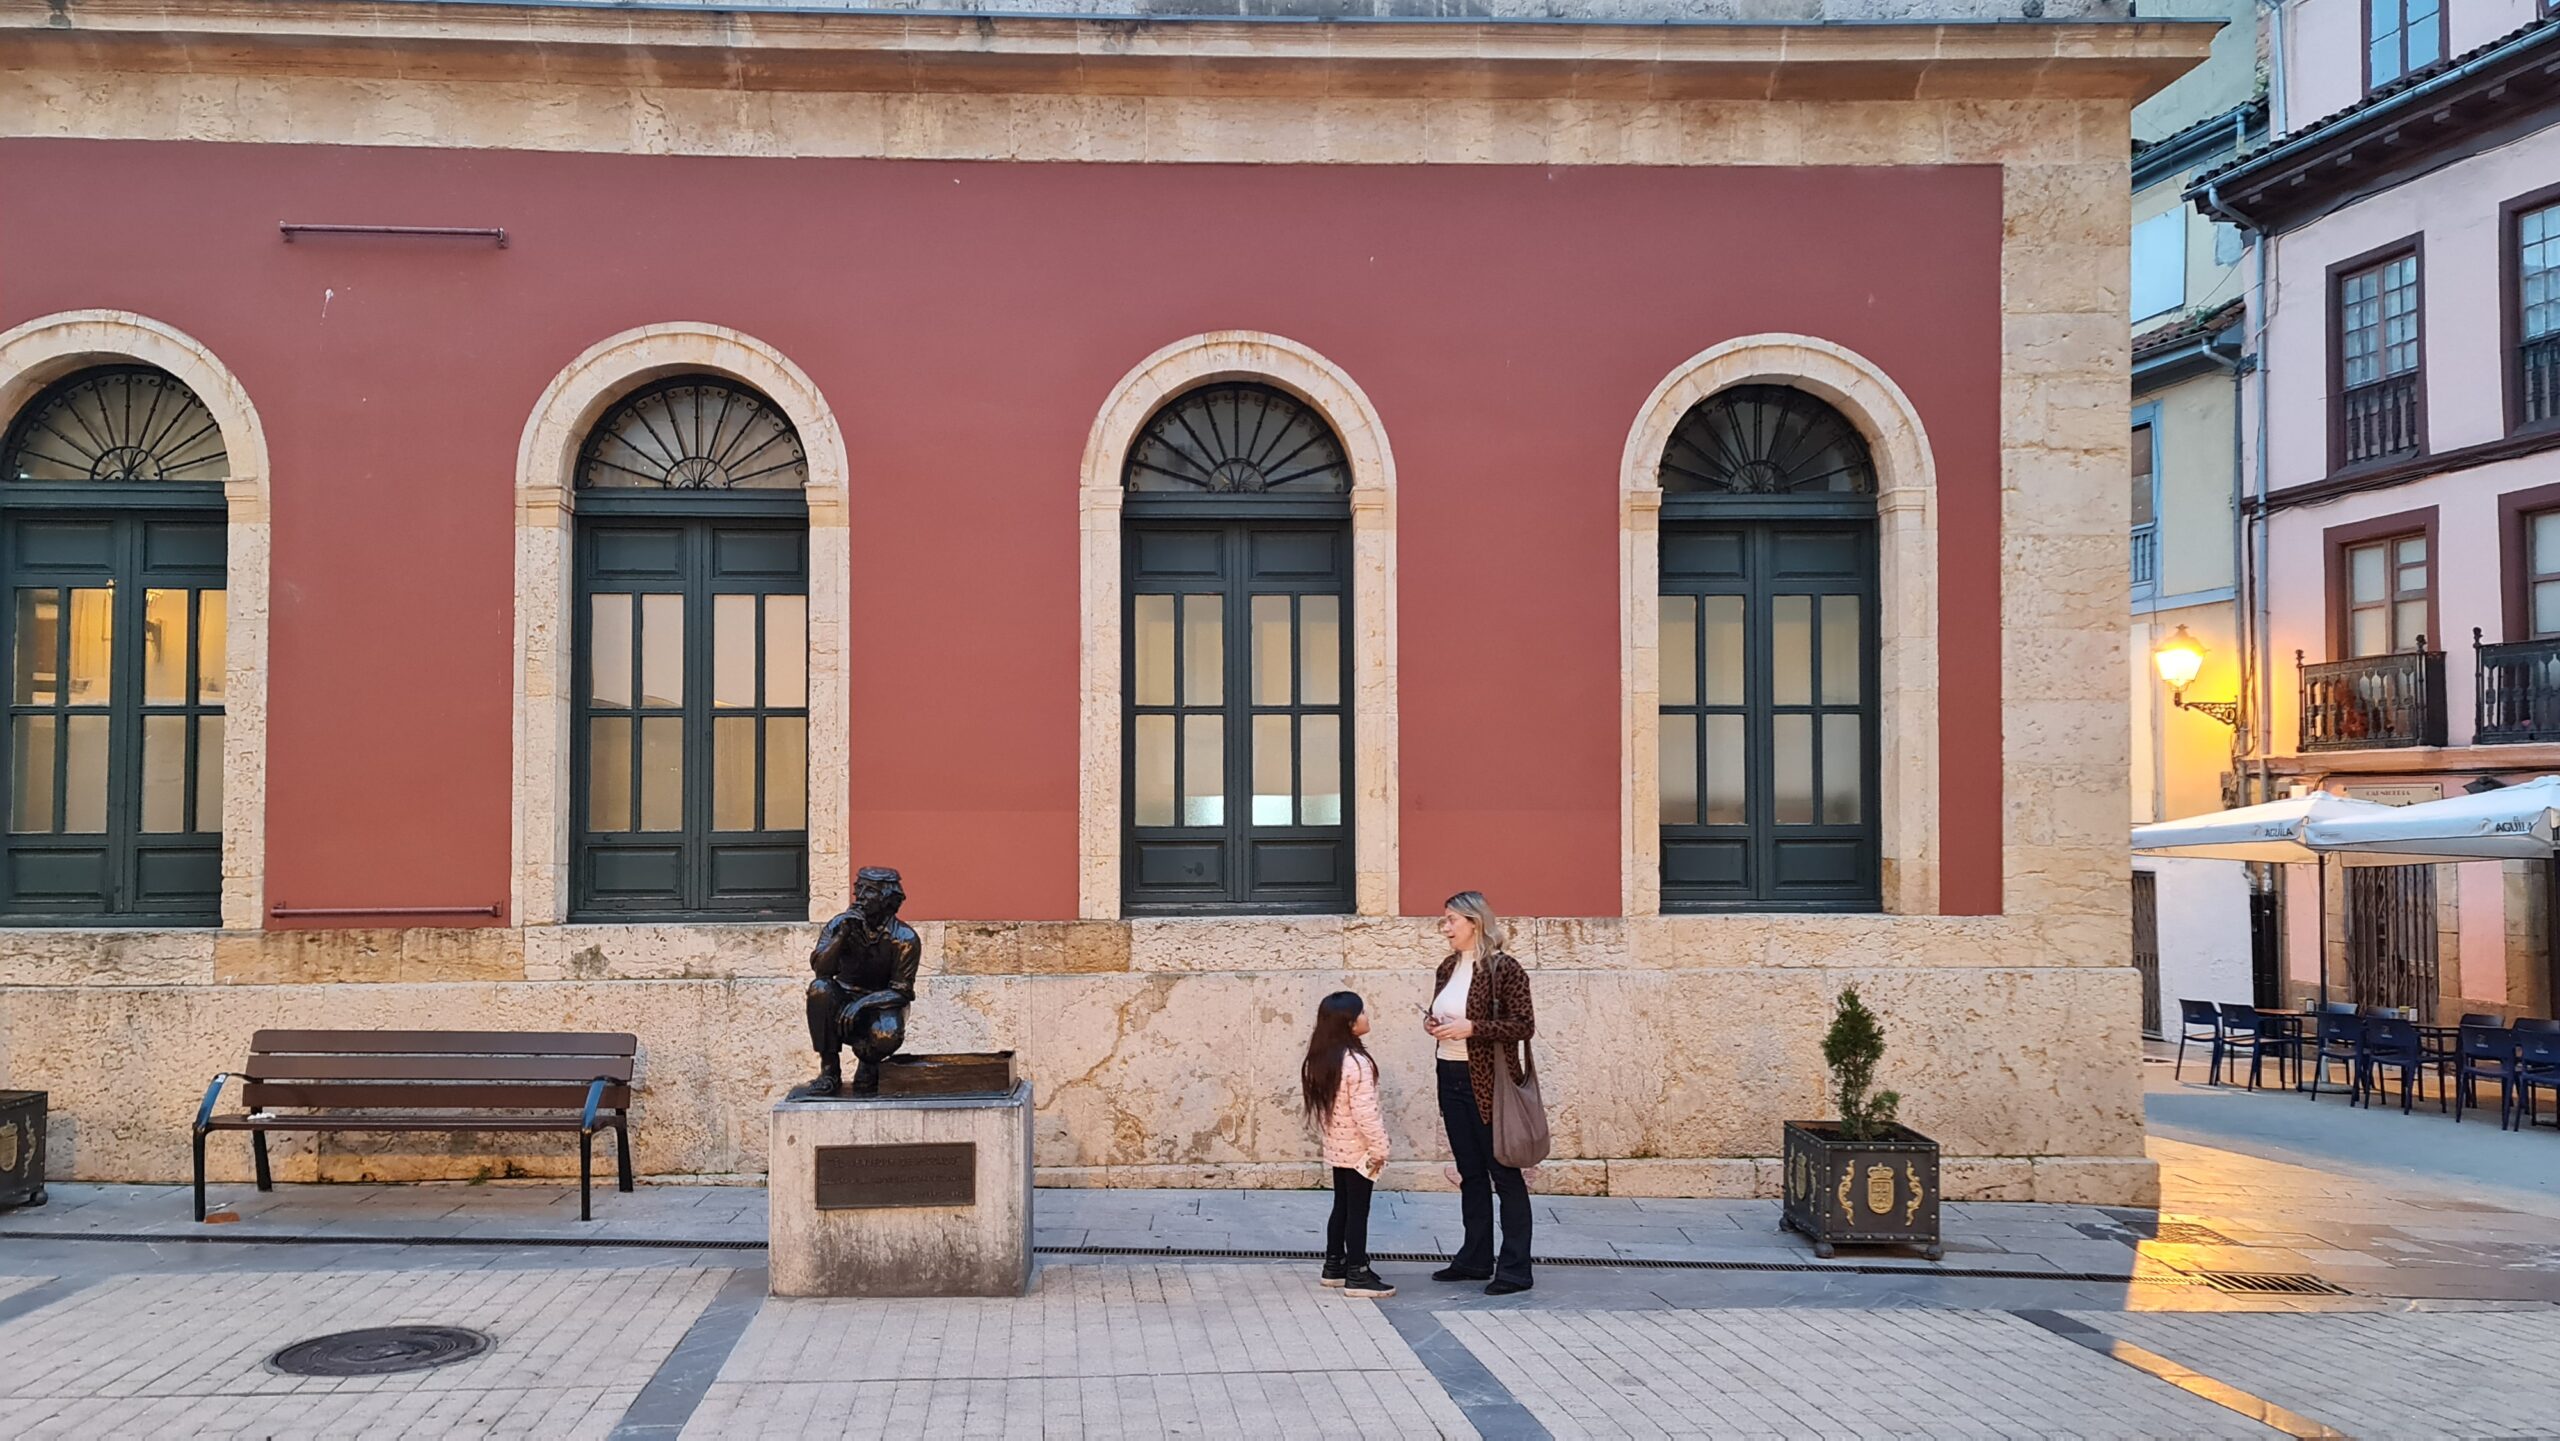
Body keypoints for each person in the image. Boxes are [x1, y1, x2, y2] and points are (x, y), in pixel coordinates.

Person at [1423, 889, 1534, 1294]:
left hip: (1489, 1082)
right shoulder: (1447, 967)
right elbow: (1445, 1013)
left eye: (1451, 920)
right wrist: (1433, 1024)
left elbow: (1523, 1025)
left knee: (1503, 1173)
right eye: (1445, 920)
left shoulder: (1505, 968)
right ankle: (1474, 1258)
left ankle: (1516, 1268)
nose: (1445, 928)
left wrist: (1473, 1028)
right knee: (1470, 1173)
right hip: (1450, 1074)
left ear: (1475, 922)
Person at [1302, 990, 1394, 1299]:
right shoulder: (1357, 1063)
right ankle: (1357, 1273)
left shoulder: (1325, 1059)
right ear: (1349, 1023)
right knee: (1358, 1211)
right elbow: (1365, 1112)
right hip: (1358, 1150)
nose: (1366, 1017)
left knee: (1341, 1205)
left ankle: (1334, 1265)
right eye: (1362, 1012)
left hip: (1338, 1148)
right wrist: (1380, 1148)